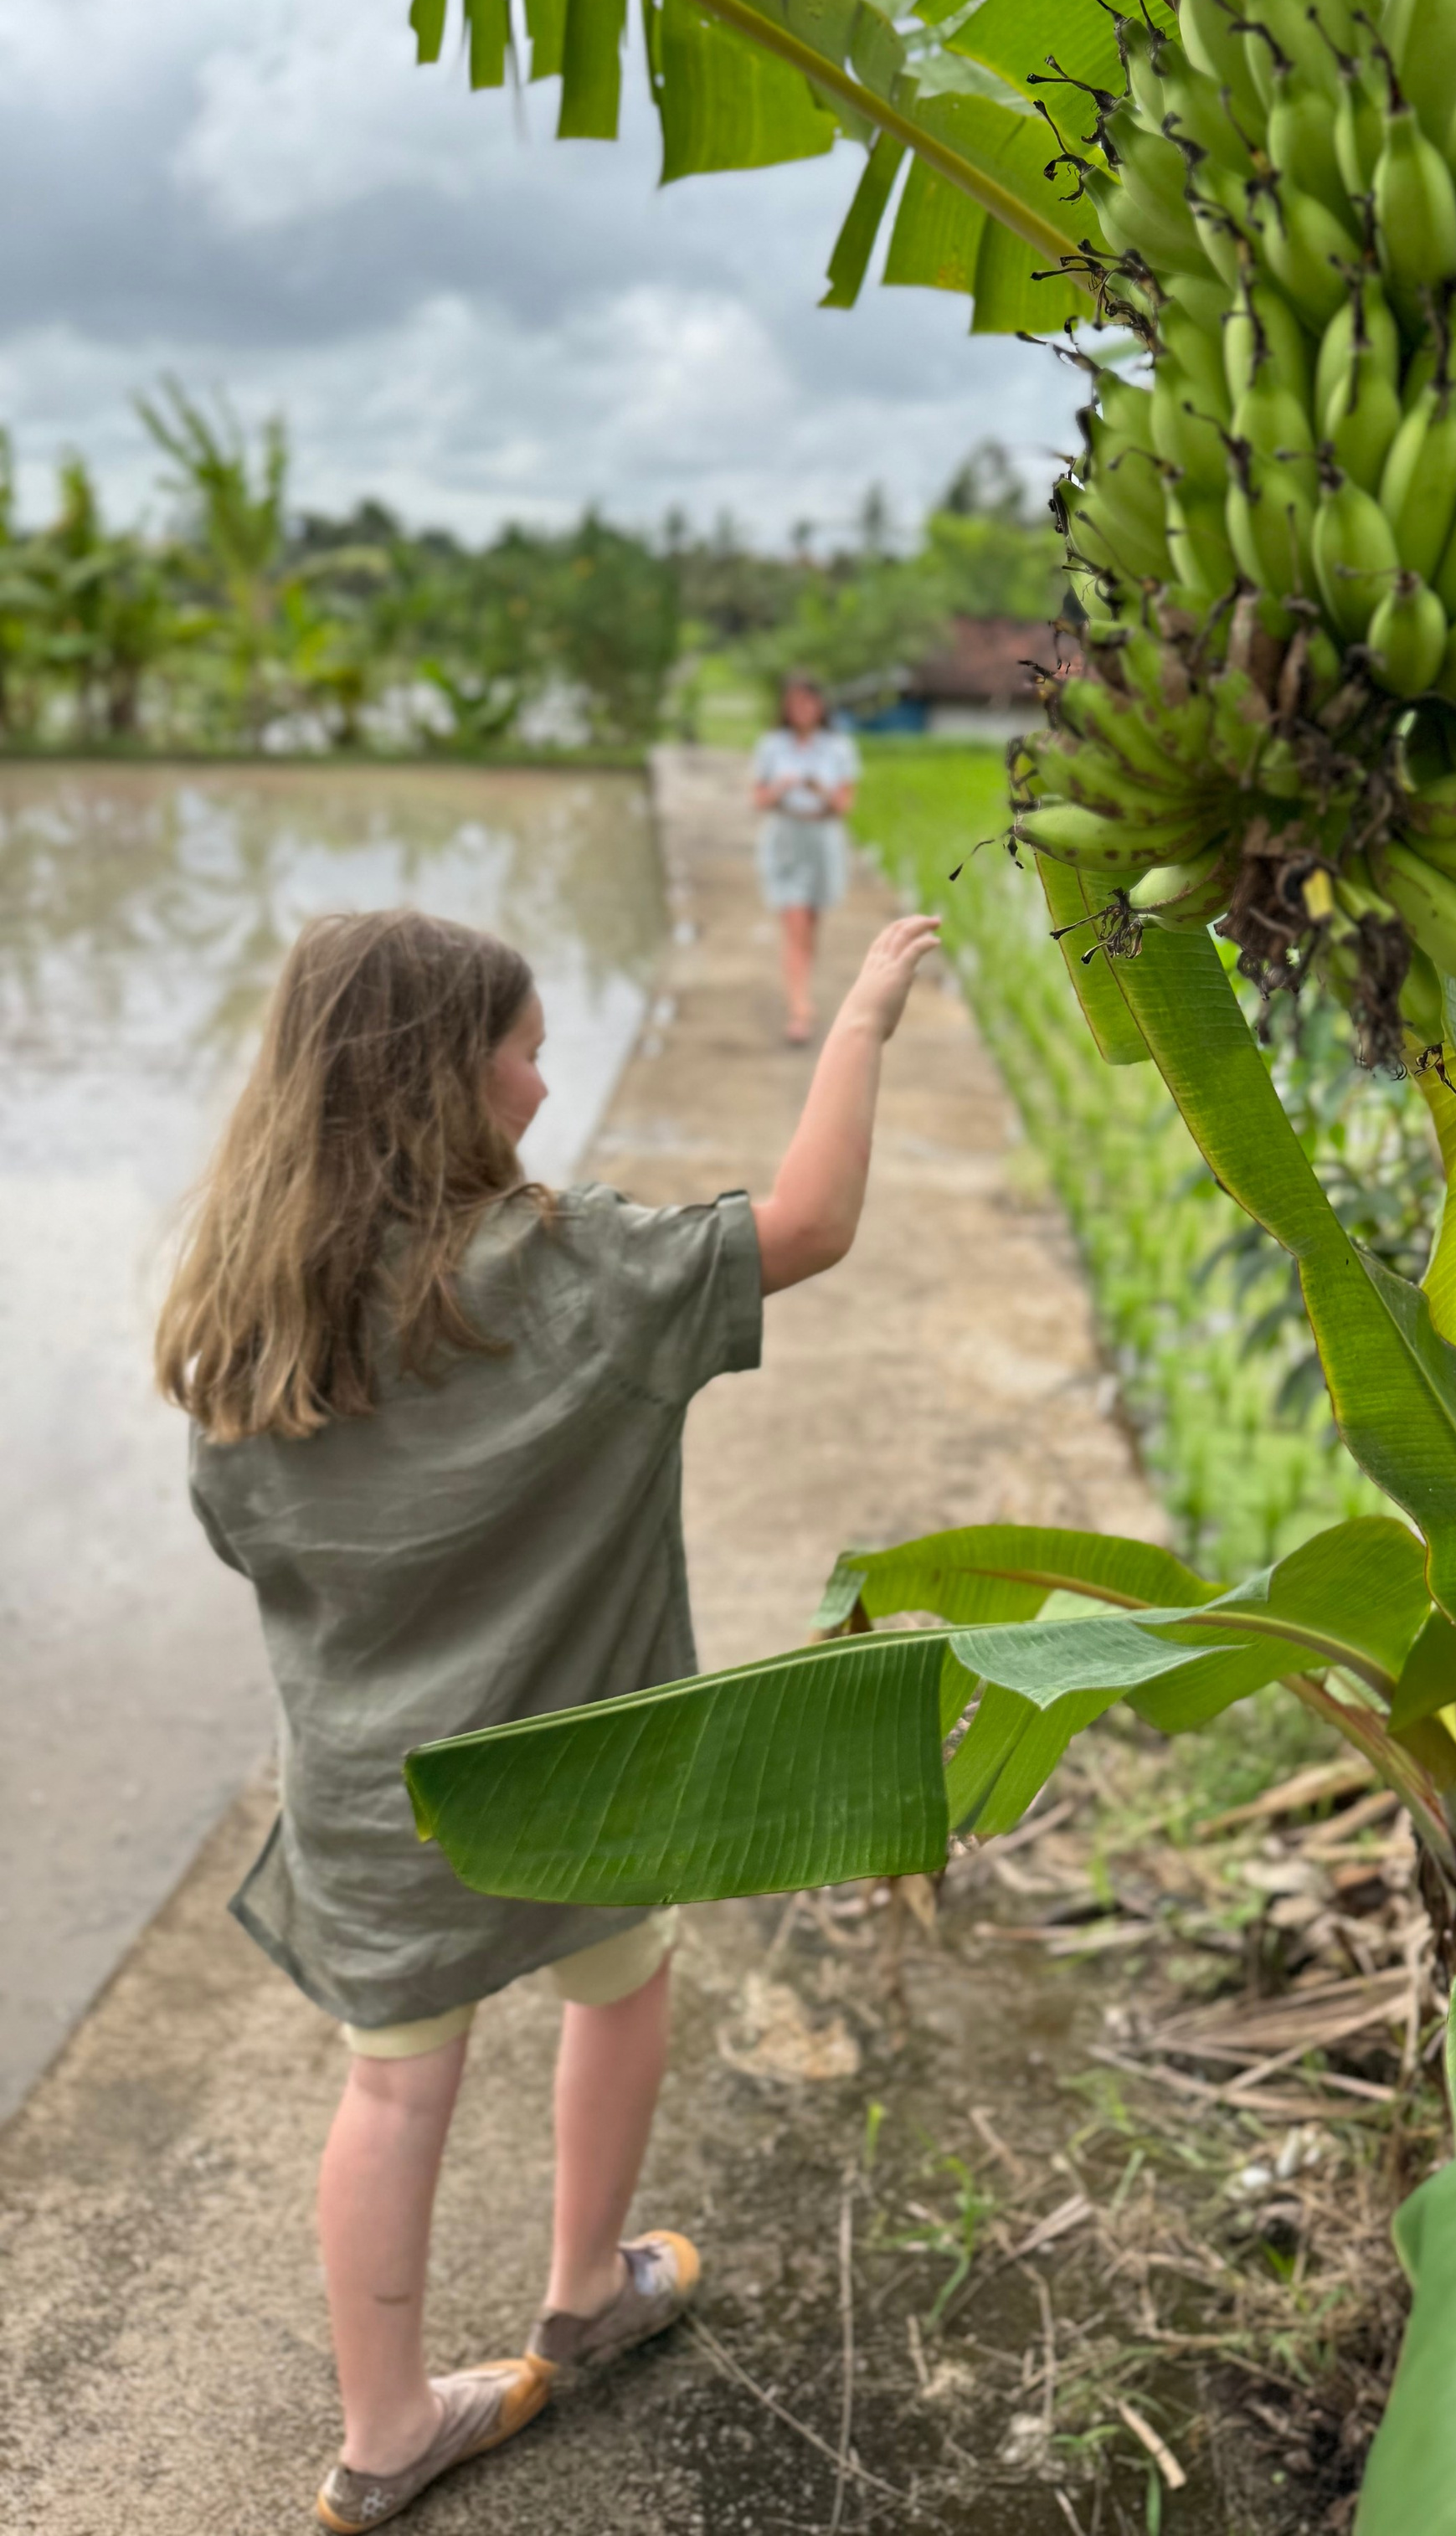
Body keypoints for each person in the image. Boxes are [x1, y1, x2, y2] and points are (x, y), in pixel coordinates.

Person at [154, 901, 938, 2531]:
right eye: (522, 1043)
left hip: (383, 1803)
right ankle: (583, 2284)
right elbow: (803, 1220)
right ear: (451, 1076)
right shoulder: (570, 1267)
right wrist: (855, 1019)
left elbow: (247, 1544)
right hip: (592, 1776)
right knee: (622, 1981)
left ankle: (384, 2433)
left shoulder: (242, 1315)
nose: (543, 1071)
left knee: (389, 2090)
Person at [749, 674, 860, 1044]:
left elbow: (845, 805)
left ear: (820, 706)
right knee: (794, 921)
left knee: (809, 923)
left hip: (822, 838)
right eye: (795, 703)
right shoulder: (771, 746)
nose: (802, 710)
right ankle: (799, 1010)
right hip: (785, 838)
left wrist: (820, 789)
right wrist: (781, 786)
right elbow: (758, 799)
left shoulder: (838, 748)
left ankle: (802, 991)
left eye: (808, 702)